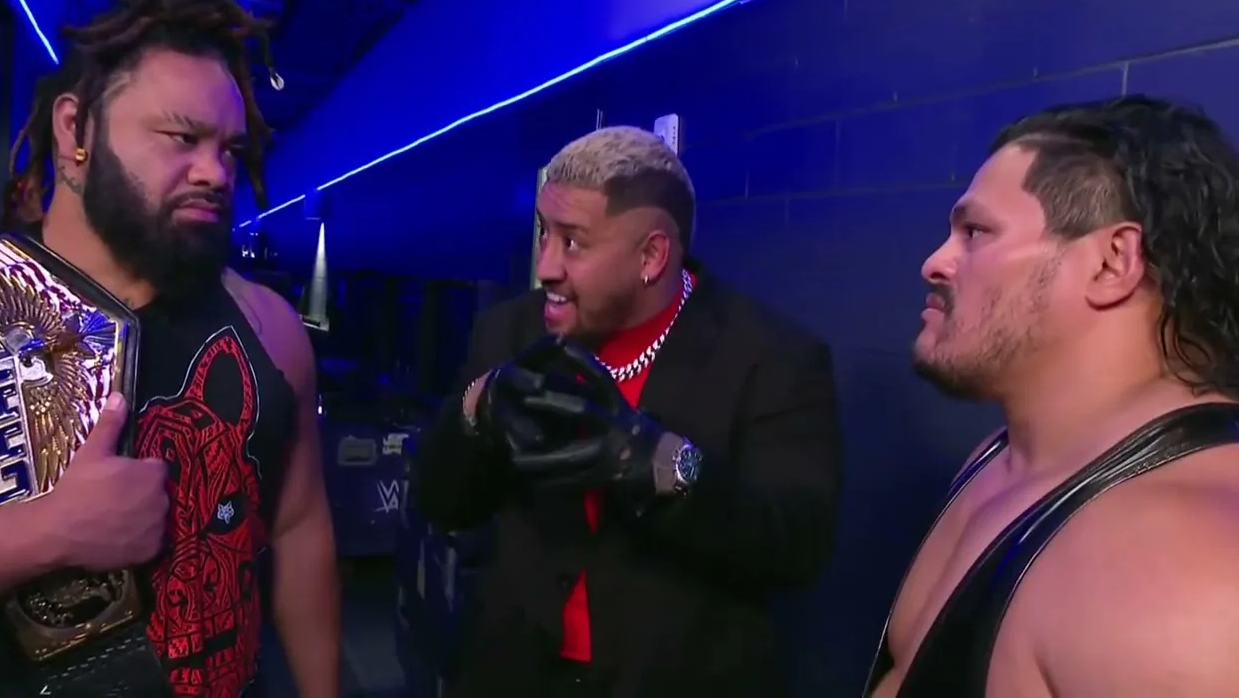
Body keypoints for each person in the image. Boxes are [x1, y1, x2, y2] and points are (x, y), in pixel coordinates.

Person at [0, 0, 338, 697]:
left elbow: (298, 530)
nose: (215, 173)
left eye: (229, 149)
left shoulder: (270, 327)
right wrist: (49, 532)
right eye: (181, 138)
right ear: (76, 131)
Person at [413, 126, 843, 697]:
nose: (546, 266)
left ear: (651, 255)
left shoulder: (771, 359)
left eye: (573, 242)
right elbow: (441, 501)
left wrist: (661, 465)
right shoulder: (508, 333)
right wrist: (477, 410)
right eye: (543, 232)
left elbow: (797, 548)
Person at [866, 95, 1239, 697]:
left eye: (975, 232)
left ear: (1111, 263)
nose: (935, 262)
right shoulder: (998, 459)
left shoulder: (1175, 564)